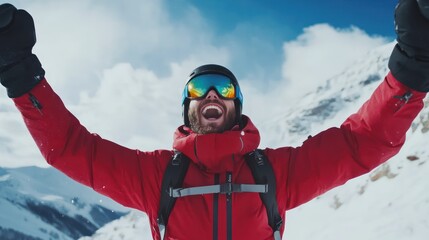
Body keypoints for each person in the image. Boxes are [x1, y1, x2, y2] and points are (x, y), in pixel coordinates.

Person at [1, 0, 428, 239]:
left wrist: (411, 67)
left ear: (236, 108)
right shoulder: (157, 177)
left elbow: (360, 143)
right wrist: (23, 76)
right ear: (186, 110)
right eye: (198, 89)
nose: (210, 95)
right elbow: (72, 149)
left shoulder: (275, 173)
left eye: (223, 90)